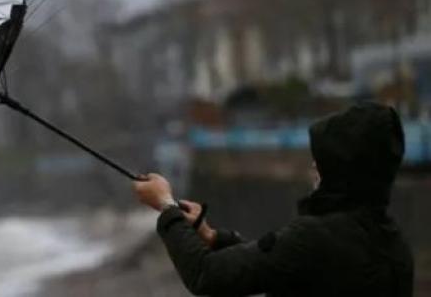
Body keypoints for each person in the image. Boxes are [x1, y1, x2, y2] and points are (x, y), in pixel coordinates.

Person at [133, 103, 414, 296]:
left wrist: (166, 207)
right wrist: (212, 237)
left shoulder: (313, 238)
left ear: (345, 169)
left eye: (323, 161)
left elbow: (206, 275)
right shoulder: (394, 245)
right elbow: (284, 266)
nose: (314, 167)